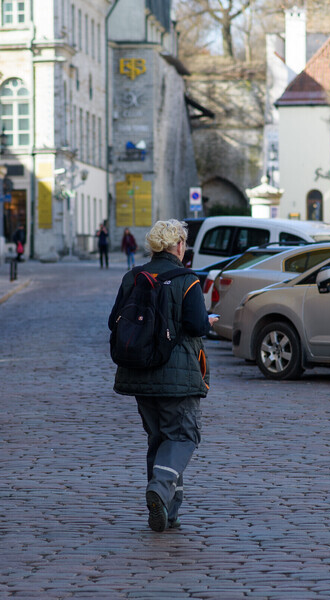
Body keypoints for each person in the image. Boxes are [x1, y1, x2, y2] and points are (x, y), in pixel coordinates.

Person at [108, 219, 219, 532]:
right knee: (183, 435)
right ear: (180, 245)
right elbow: (197, 325)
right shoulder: (187, 280)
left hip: (139, 371)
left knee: (159, 440)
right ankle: (159, 489)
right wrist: (208, 321)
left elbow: (112, 321)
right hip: (177, 375)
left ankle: (168, 512)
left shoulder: (133, 276)